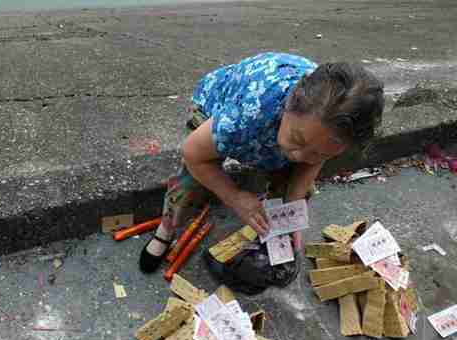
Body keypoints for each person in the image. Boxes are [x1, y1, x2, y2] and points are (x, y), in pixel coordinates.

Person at [139, 52, 384, 273]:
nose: (299, 156)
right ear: (289, 105)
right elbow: (193, 153)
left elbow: (308, 158)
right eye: (297, 140)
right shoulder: (250, 114)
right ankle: (166, 230)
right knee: (192, 179)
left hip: (279, 126)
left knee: (297, 183)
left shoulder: (325, 126)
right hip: (217, 105)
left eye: (321, 154)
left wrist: (292, 208)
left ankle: (274, 236)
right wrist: (234, 198)